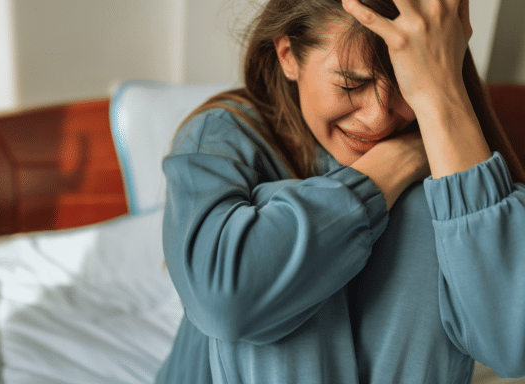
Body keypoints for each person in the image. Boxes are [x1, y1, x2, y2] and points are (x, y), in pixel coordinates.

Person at [155, 0, 525, 382]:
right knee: (271, 242)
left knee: (423, 207)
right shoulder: (220, 137)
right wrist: (396, 162)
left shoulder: (449, 154)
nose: (378, 117)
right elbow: (225, 301)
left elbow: (513, 344)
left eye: (406, 84)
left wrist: (441, 99)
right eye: (351, 83)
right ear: (288, 56)